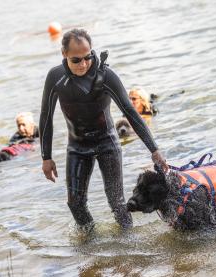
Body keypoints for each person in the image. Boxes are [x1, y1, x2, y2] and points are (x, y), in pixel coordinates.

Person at [39, 29, 168, 229]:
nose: (83, 64)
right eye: (76, 60)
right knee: (75, 204)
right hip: (77, 147)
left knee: (117, 203)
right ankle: (90, 244)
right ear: (64, 54)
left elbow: (131, 113)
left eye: (88, 57)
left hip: (107, 143)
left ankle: (128, 244)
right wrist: (46, 157)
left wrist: (154, 149)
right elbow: (46, 117)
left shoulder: (106, 76)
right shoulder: (55, 77)